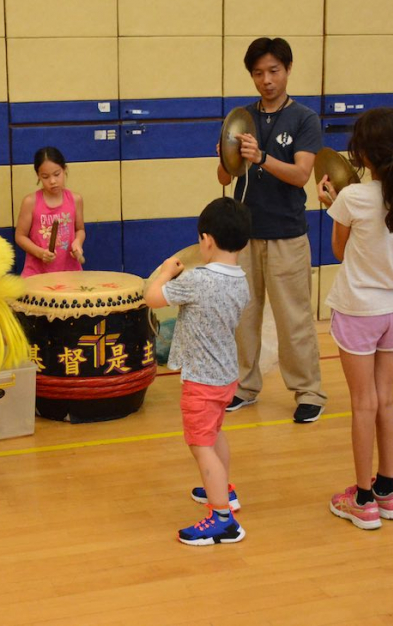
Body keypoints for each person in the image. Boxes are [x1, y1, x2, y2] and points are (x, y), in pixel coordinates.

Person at [317, 107, 393, 530]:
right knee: (386, 398)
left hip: (360, 309)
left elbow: (341, 252)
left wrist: (332, 205)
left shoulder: (352, 198)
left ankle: (362, 500)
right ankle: (388, 490)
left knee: (362, 404)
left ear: (361, 153)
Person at [218, 37, 328, 422]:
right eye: (258, 73)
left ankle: (308, 391)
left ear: (288, 69)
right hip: (244, 236)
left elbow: (300, 175)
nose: (266, 80)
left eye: (273, 71)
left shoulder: (304, 119)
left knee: (292, 318)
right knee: (243, 316)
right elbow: (224, 175)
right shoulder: (242, 118)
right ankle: (245, 386)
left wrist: (262, 157)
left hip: (286, 234)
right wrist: (226, 155)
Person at [144, 197, 251, 545]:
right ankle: (224, 491)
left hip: (202, 381)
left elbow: (153, 298)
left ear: (206, 240)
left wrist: (164, 273)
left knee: (200, 444)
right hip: (225, 376)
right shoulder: (241, 280)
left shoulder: (199, 280)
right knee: (216, 433)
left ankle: (223, 518)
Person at [15, 146, 85, 276]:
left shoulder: (76, 199)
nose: (52, 181)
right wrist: (40, 253)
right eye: (45, 177)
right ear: (38, 176)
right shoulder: (30, 202)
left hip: (69, 271)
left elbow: (79, 229)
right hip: (37, 272)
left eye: (57, 174)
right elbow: (20, 236)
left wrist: (78, 242)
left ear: (65, 170)